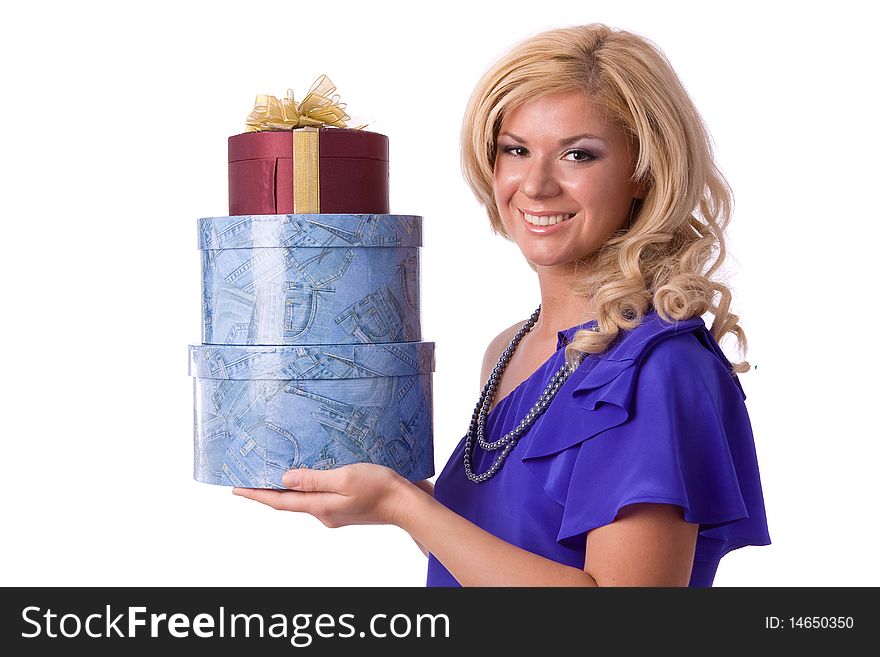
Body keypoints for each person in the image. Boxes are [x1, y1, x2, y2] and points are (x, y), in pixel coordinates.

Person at [233, 23, 771, 587]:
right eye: (515, 150)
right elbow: (512, 553)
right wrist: (400, 501)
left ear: (644, 173)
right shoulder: (509, 347)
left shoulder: (659, 369)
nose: (536, 185)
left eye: (578, 155)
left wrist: (404, 506)